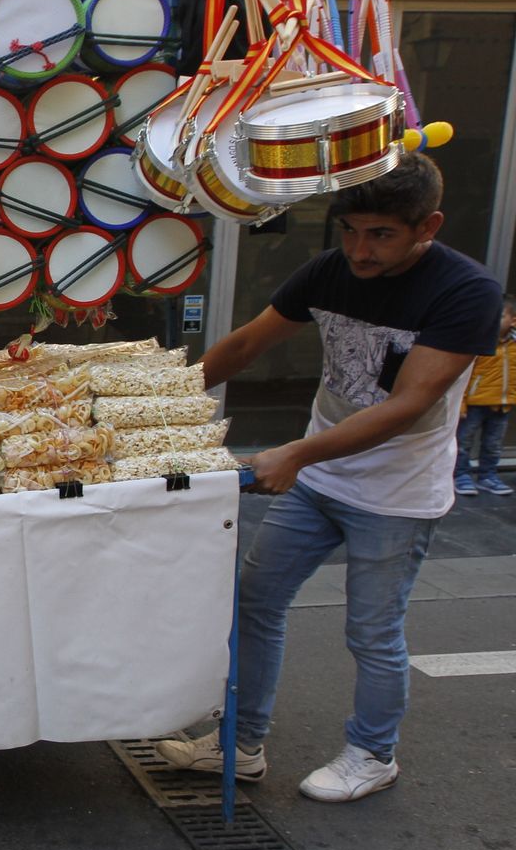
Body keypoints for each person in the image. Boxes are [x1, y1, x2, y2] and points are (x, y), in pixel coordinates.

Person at [157, 154, 504, 803]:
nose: (359, 249)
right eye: (349, 230)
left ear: (428, 224)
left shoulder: (466, 292)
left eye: (380, 235)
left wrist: (295, 454)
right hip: (321, 477)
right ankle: (242, 741)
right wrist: (162, 400)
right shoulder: (330, 270)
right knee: (256, 598)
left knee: (372, 628)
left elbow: (409, 405)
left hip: (397, 493)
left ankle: (373, 753)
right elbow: (245, 344)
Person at [453, 294, 515, 496]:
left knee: (493, 444)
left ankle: (488, 476)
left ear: (513, 320)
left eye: (500, 315)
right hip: (475, 403)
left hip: (503, 403)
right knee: (464, 441)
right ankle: (460, 475)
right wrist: (460, 404)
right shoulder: (480, 343)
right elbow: (463, 376)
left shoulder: (514, 346)